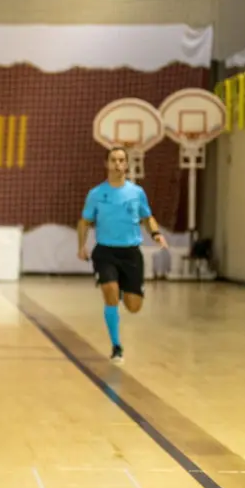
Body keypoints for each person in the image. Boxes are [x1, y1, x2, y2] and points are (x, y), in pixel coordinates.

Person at [76, 147, 168, 364]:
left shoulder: (137, 192)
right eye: (113, 160)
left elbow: (147, 217)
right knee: (110, 292)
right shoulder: (96, 194)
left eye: (121, 160)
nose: (117, 164)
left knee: (134, 307)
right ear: (106, 164)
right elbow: (84, 222)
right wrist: (81, 246)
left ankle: (124, 288)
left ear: (126, 164)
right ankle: (116, 346)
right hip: (105, 252)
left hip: (131, 254)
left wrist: (156, 233)